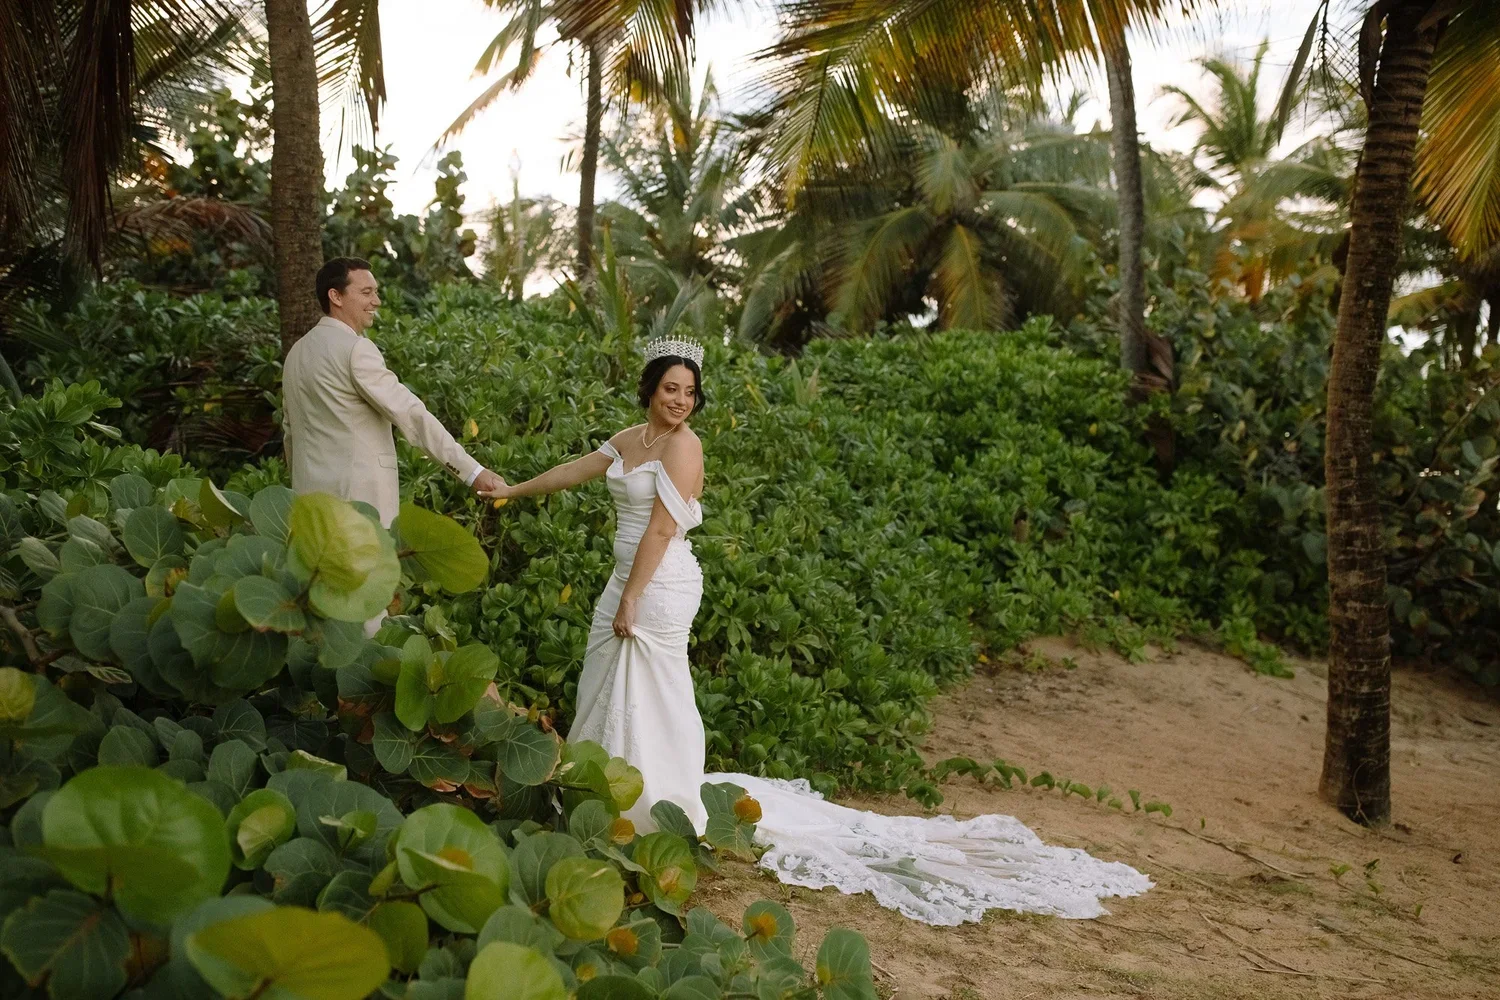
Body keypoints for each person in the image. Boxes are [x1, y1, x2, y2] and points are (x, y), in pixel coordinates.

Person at [482, 337, 1154, 926]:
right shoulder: (632, 438)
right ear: (650, 388)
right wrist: (514, 489)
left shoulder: (686, 450)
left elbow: (661, 529)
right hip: (624, 583)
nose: (680, 401)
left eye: (690, 392)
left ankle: (657, 807)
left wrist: (632, 598)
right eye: (670, 389)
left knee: (653, 692)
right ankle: (600, 798)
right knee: (606, 683)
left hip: (659, 587)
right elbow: (579, 469)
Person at [282, 257, 504, 529]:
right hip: (358, 511)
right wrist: (472, 472)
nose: (376, 301)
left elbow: (290, 435)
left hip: (307, 510)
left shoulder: (295, 354)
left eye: (375, 292)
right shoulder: (356, 349)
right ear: (335, 296)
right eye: (366, 292)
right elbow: (411, 415)